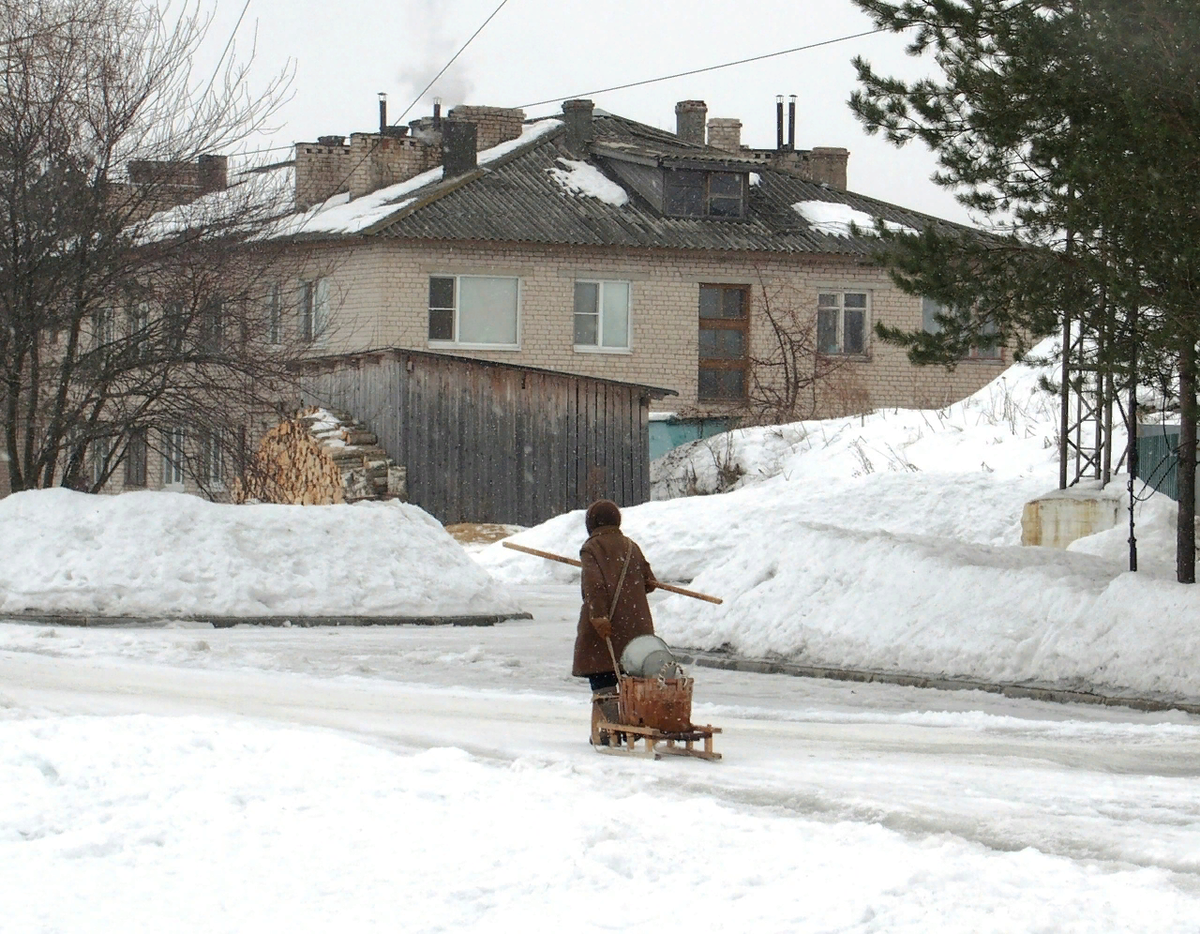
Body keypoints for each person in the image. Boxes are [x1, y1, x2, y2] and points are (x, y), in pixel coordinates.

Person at [572, 499, 658, 744]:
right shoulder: (632, 546)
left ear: (592, 523)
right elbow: (650, 582)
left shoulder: (592, 548)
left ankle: (610, 731)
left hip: (608, 624)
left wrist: (598, 616)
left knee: (603, 676)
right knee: (630, 678)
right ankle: (634, 725)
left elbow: (593, 586)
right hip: (635, 624)